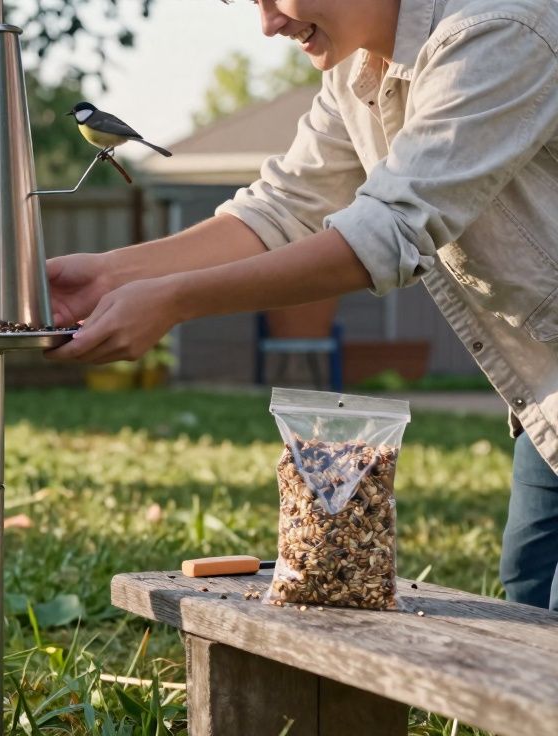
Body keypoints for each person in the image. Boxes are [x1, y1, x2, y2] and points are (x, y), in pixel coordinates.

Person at [44, 0, 558, 610]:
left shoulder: (501, 32)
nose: (268, 24)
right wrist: (106, 276)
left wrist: (174, 300)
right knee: (528, 598)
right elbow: (282, 208)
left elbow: (389, 229)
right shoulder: (356, 69)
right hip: (544, 393)